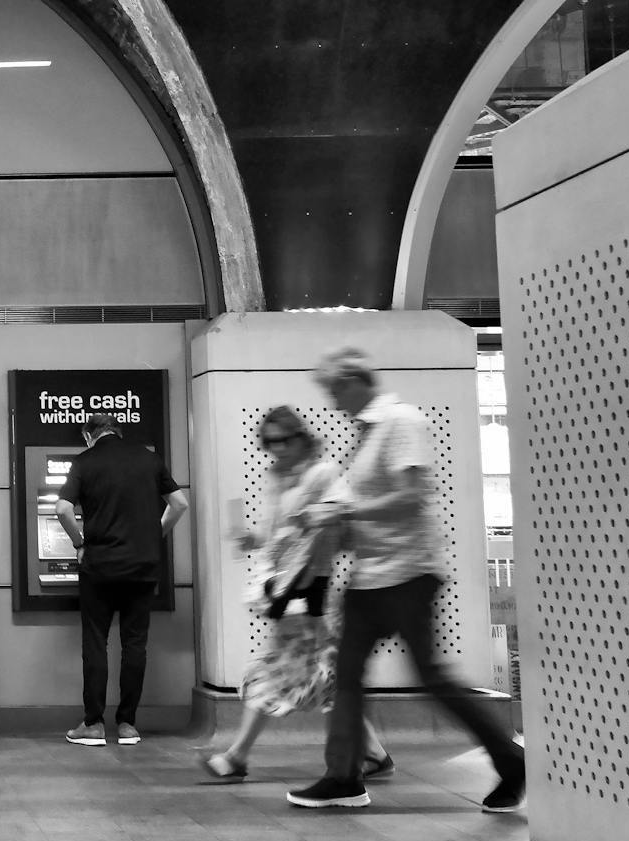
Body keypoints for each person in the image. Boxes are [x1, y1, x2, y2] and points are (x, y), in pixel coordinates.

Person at [287, 346, 525, 811]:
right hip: (369, 578)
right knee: (347, 677)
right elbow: (370, 511)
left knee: (431, 678)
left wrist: (342, 510)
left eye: (335, 390)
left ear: (357, 381)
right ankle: (343, 777)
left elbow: (412, 497)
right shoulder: (365, 435)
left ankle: (511, 762)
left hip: (409, 574)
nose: (333, 402)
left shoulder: (402, 422)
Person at [198, 407, 391, 781]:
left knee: (283, 674)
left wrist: (311, 522)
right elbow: (277, 535)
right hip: (292, 594)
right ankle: (374, 753)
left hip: (312, 595)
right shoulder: (277, 479)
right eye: (270, 442)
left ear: (301, 437)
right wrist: (251, 539)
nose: (277, 449)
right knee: (328, 679)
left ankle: (237, 755)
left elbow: (338, 517)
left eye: (284, 440)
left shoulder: (322, 474)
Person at [57, 412, 189, 747]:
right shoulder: (149, 459)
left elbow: (61, 510)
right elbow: (179, 503)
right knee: (135, 643)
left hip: (100, 565)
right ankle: (128, 724)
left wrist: (79, 542)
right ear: (117, 431)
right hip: (142, 565)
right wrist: (153, 534)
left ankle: (94, 725)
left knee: (95, 642)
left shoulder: (84, 462)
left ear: (90, 436)